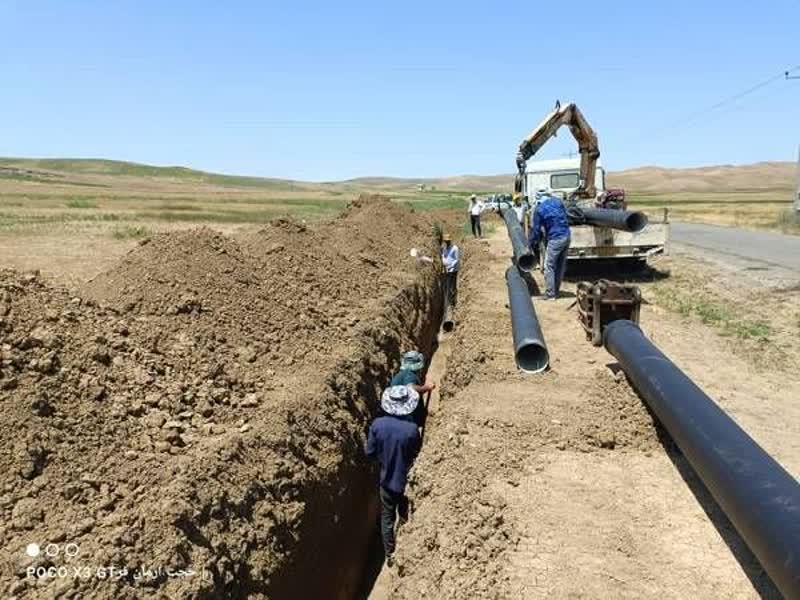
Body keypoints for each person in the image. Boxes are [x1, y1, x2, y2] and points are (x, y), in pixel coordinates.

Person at [365, 385, 422, 566]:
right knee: (405, 512)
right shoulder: (412, 429)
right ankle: (405, 538)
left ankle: (389, 553)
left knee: (387, 518)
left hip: (386, 481)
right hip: (407, 482)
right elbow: (417, 454)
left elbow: (370, 453)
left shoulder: (377, 425)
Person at [528, 189, 571, 300]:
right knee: (560, 265)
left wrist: (530, 244)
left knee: (549, 266)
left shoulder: (539, 209)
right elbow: (565, 215)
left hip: (555, 238)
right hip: (567, 236)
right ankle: (556, 290)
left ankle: (550, 294)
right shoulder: (558, 201)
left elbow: (536, 230)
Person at [390, 350, 436, 427]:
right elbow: (411, 388)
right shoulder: (409, 374)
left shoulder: (401, 374)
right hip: (404, 418)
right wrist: (427, 387)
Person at [441, 233, 460, 307]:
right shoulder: (444, 248)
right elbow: (443, 256)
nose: (446, 242)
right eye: (445, 241)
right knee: (447, 286)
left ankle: (453, 302)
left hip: (453, 270)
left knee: (452, 286)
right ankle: (448, 302)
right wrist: (443, 262)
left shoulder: (455, 248)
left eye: (448, 241)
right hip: (446, 270)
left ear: (450, 241)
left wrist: (450, 266)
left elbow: (456, 259)